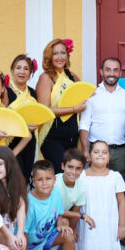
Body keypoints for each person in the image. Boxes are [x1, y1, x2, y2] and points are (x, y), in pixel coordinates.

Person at [20, 160, 92, 250]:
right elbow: (23, 232)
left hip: (46, 237)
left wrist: (61, 224)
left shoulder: (56, 192)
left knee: (68, 234)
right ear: (33, 181)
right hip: (29, 245)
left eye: (48, 179)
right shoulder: (29, 203)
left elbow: (58, 212)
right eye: (40, 180)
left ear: (54, 179)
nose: (45, 183)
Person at [80, 57, 125, 184]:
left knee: (118, 189)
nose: (112, 73)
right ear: (101, 72)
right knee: (94, 187)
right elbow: (84, 124)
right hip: (95, 150)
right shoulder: (92, 95)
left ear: (121, 73)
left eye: (116, 70)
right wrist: (84, 150)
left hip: (120, 152)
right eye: (108, 70)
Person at [37, 38, 85, 173]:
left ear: (67, 55)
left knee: (72, 176)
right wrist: (74, 109)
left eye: (63, 53)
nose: (59, 57)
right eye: (55, 53)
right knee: (60, 175)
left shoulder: (73, 77)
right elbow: (45, 110)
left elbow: (81, 97)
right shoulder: (46, 78)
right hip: (52, 136)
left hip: (72, 136)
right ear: (49, 57)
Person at [77, 141, 125, 250]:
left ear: (109, 157)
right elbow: (76, 203)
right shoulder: (81, 176)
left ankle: (111, 249)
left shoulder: (115, 176)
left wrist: (121, 226)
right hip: (88, 223)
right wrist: (74, 227)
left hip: (108, 224)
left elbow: (122, 202)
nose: (100, 155)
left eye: (104, 152)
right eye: (96, 152)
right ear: (89, 155)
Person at [4, 55, 42, 179]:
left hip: (29, 142)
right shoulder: (4, 91)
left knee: (24, 179)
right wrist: (22, 126)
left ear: (30, 72)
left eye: (26, 69)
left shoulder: (33, 93)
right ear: (12, 70)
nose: (22, 72)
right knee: (13, 180)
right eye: (18, 68)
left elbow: (37, 114)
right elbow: (2, 118)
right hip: (10, 141)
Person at [56, 149, 88, 231]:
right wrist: (81, 215)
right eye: (70, 167)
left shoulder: (81, 187)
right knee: (64, 221)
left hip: (62, 217)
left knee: (66, 224)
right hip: (46, 217)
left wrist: (73, 230)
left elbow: (75, 213)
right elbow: (53, 209)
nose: (73, 172)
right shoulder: (54, 182)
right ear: (63, 166)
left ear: (82, 170)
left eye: (78, 168)